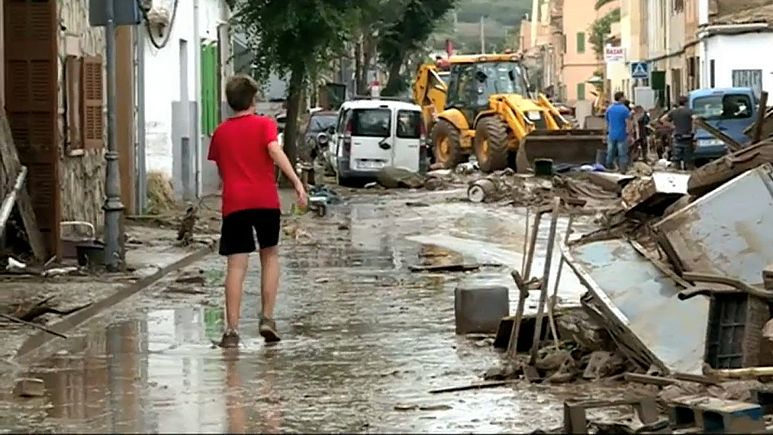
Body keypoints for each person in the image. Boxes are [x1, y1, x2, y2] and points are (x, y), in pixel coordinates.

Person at [208, 74, 308, 348]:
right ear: (253, 99)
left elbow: (221, 169)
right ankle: (266, 318)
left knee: (236, 266)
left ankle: (231, 331)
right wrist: (296, 183)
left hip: (235, 203)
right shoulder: (265, 125)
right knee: (270, 255)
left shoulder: (220, 132)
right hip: (264, 200)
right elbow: (274, 151)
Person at [660, 95, 695, 170]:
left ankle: (677, 172)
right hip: (687, 136)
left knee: (676, 158)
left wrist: (671, 125)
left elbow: (662, 119)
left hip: (677, 136)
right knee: (688, 158)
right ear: (686, 103)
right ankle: (688, 173)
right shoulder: (689, 111)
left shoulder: (674, 111)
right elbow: (696, 119)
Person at [605, 91, 632, 173]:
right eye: (624, 97)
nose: (625, 98)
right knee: (622, 154)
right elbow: (628, 123)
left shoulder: (609, 109)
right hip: (622, 135)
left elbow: (607, 122)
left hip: (611, 134)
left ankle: (609, 169)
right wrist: (630, 135)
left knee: (610, 153)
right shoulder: (625, 109)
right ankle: (623, 171)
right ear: (621, 98)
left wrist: (605, 133)